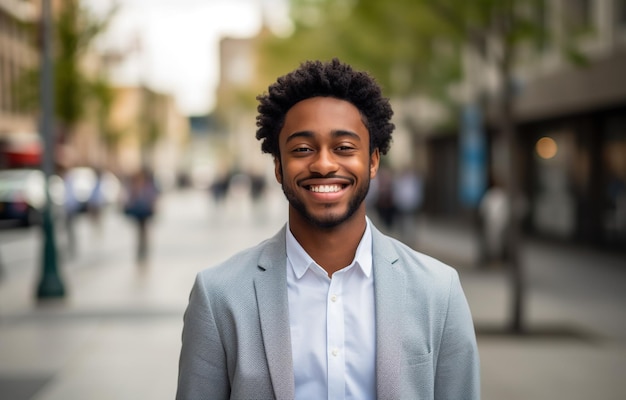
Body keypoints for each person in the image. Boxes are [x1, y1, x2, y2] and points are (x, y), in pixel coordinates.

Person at [177, 59, 480, 400]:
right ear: (278, 166)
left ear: (374, 161)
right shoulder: (219, 295)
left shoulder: (438, 290)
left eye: (344, 148)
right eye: (302, 149)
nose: (323, 163)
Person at [123, 167, 159, 262]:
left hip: (145, 210)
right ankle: (141, 249)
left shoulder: (148, 185)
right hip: (138, 211)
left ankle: (143, 248)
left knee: (143, 230)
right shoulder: (134, 185)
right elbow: (129, 198)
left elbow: (152, 197)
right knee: (140, 230)